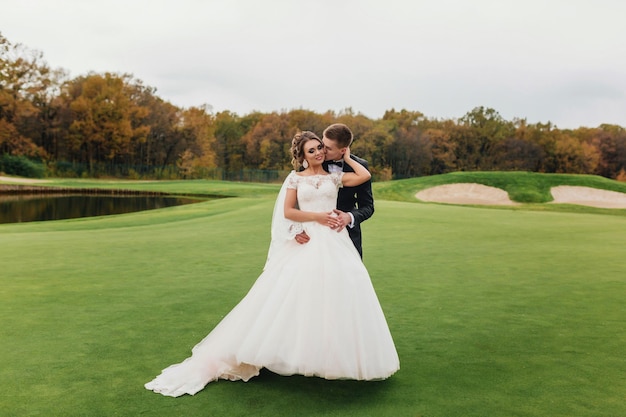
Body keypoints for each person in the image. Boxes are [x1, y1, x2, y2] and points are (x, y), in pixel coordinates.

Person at [145, 131, 399, 397]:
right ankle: (285, 350)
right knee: (293, 295)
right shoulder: (294, 178)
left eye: (320, 148)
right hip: (310, 237)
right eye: (312, 150)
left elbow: (364, 177)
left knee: (338, 291)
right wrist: (317, 218)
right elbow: (288, 211)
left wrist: (347, 156)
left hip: (336, 241)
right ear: (301, 156)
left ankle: (332, 353)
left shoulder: (334, 177)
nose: (319, 152)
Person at [294, 123, 374, 258]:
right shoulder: (313, 161)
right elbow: (299, 198)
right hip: (314, 236)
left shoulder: (360, 167)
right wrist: (296, 229)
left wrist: (349, 217)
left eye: (328, 148)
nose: (322, 151)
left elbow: (368, 206)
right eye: (322, 144)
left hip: (346, 235)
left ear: (343, 150)